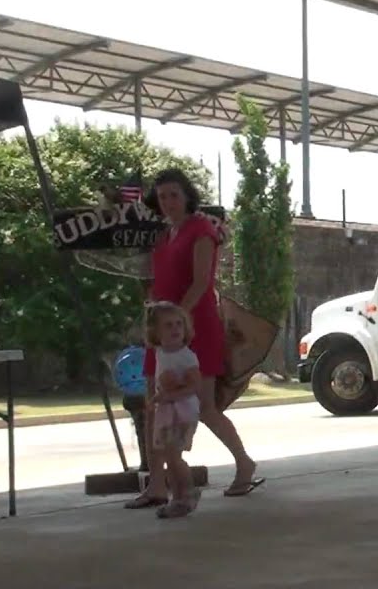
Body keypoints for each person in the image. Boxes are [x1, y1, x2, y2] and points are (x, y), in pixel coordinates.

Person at [125, 168, 261, 510]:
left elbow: (201, 281)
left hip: (194, 328)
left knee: (203, 407)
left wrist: (179, 321)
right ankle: (157, 485)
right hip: (162, 330)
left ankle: (244, 463)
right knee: (153, 404)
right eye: (163, 196)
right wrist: (155, 320)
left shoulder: (202, 229)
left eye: (174, 194)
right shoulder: (164, 235)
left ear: (187, 196)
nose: (168, 202)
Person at [146, 301, 202, 519]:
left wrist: (170, 395)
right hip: (168, 411)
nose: (175, 329)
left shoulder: (185, 355)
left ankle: (187, 493)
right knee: (170, 456)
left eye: (179, 324)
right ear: (155, 332)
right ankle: (178, 498)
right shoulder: (161, 352)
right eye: (168, 325)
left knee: (174, 455)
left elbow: (194, 386)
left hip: (183, 412)